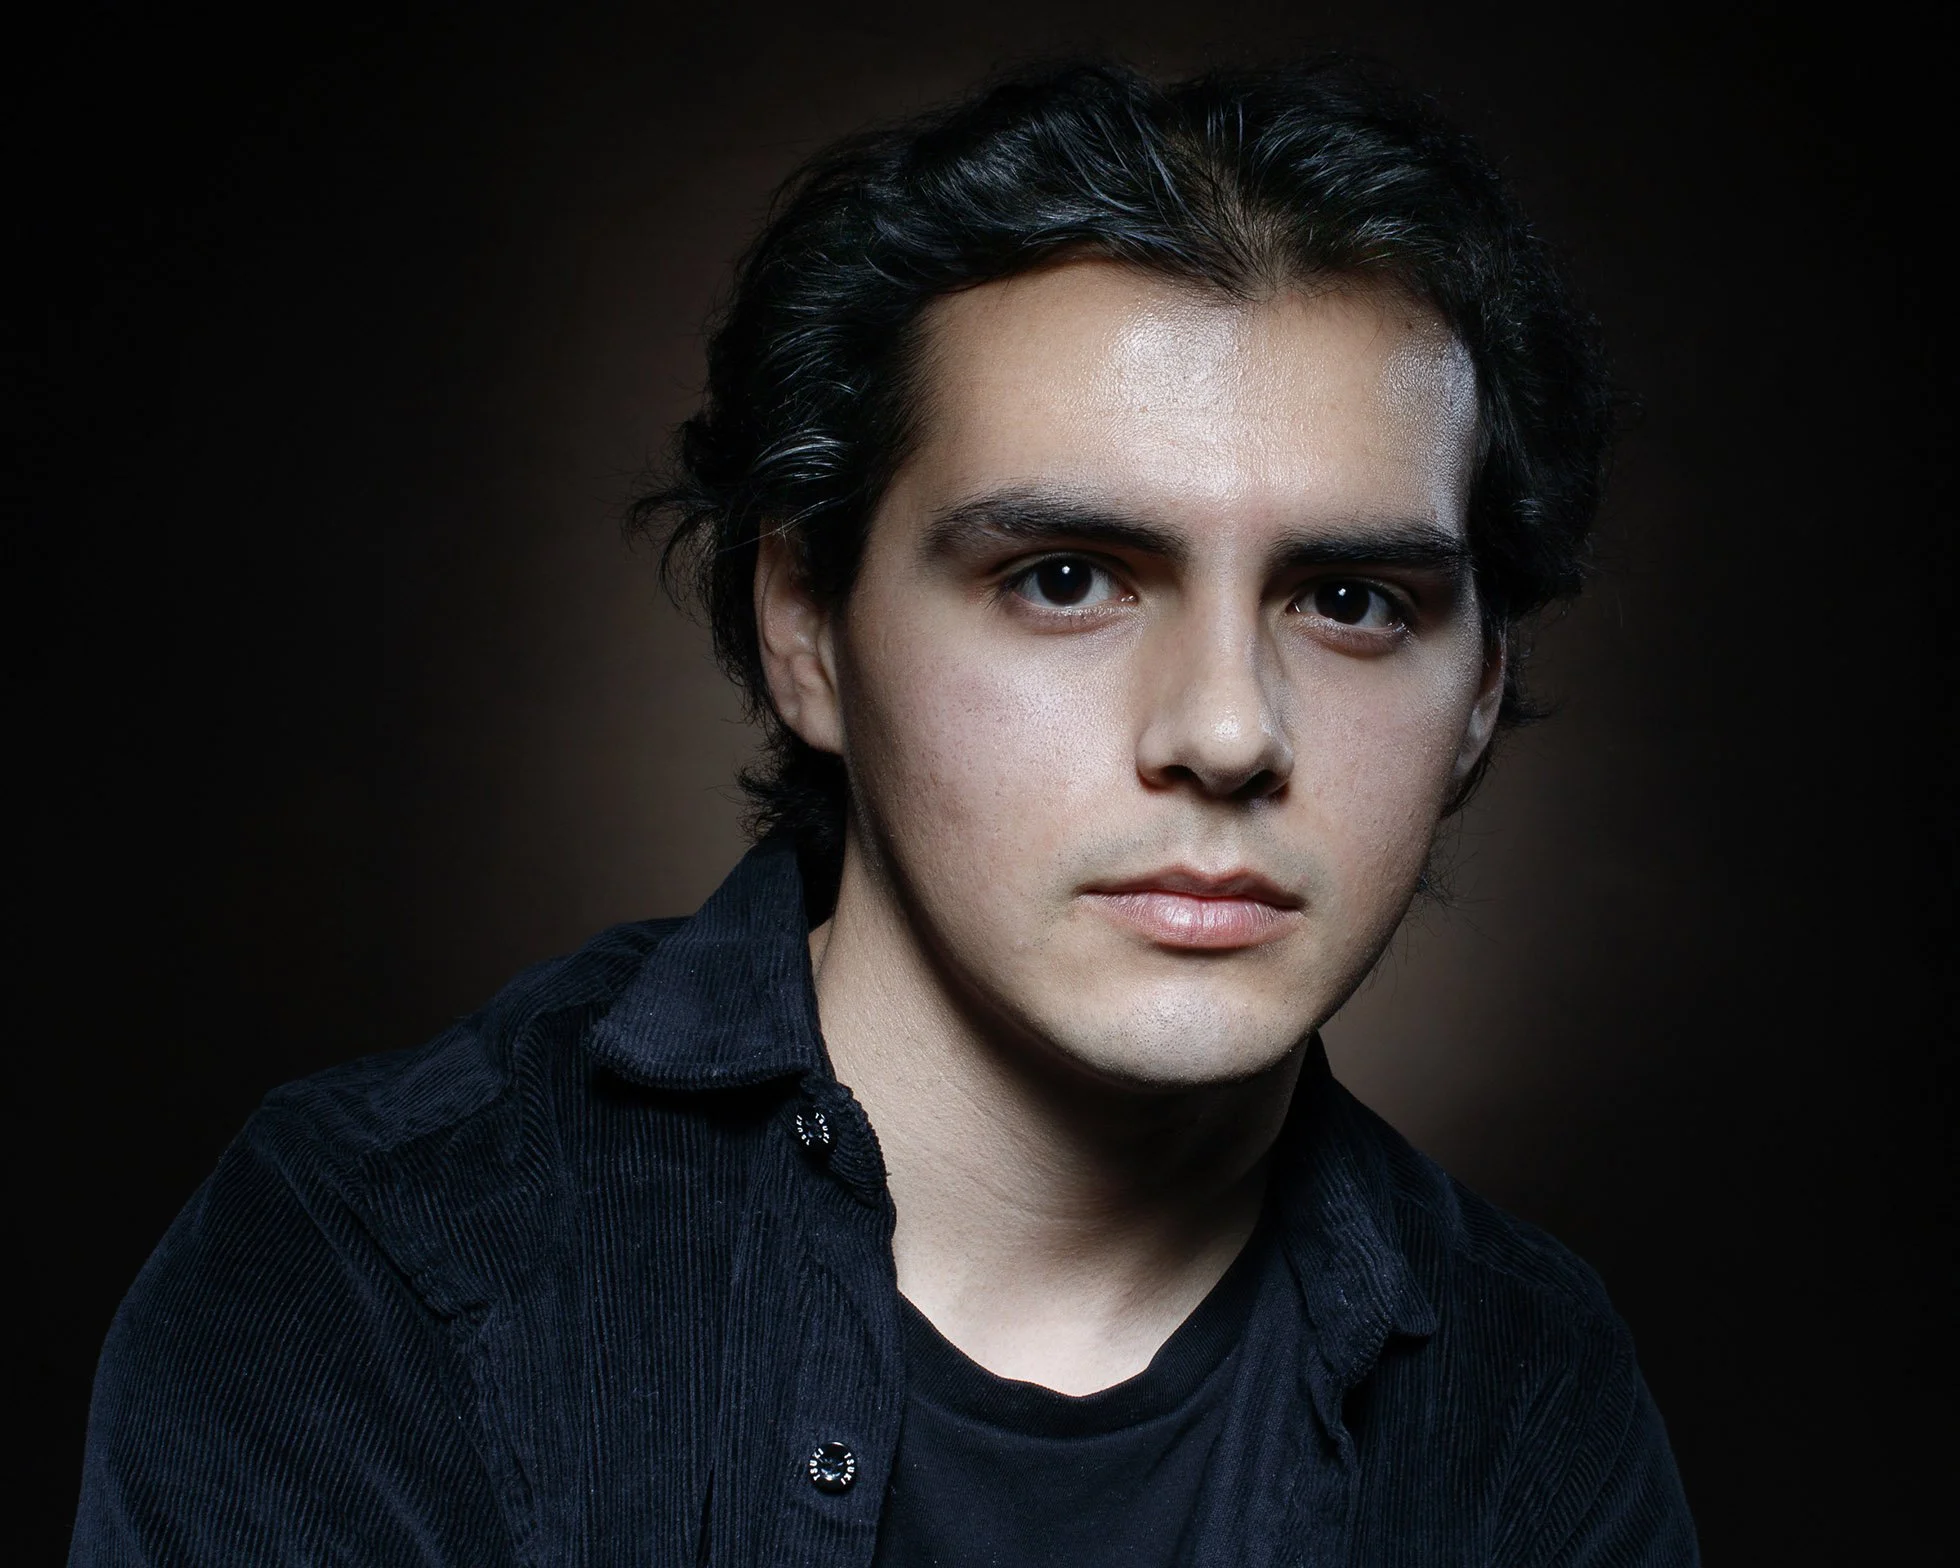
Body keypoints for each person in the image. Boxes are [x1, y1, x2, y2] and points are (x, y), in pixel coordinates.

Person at [71, 59, 1698, 1566]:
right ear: (805, 629)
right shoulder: (362, 1276)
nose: (1225, 729)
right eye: (1065, 578)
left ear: (1482, 689)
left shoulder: (1530, 1393)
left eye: (1350, 598)